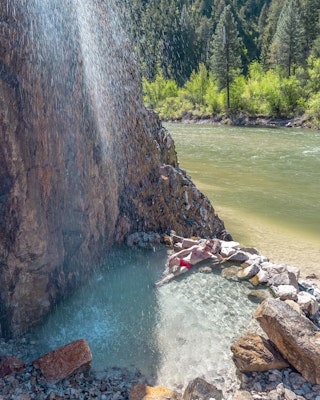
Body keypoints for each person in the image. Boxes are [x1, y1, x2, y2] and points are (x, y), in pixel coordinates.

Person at [154, 239, 223, 287]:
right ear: (205, 243)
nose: (208, 247)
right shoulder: (196, 248)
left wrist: (216, 253)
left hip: (188, 265)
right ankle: (169, 269)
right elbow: (185, 251)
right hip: (183, 261)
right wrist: (176, 254)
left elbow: (221, 260)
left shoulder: (209, 255)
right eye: (207, 245)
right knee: (172, 259)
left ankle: (161, 282)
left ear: (212, 247)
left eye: (210, 246)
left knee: (177, 272)